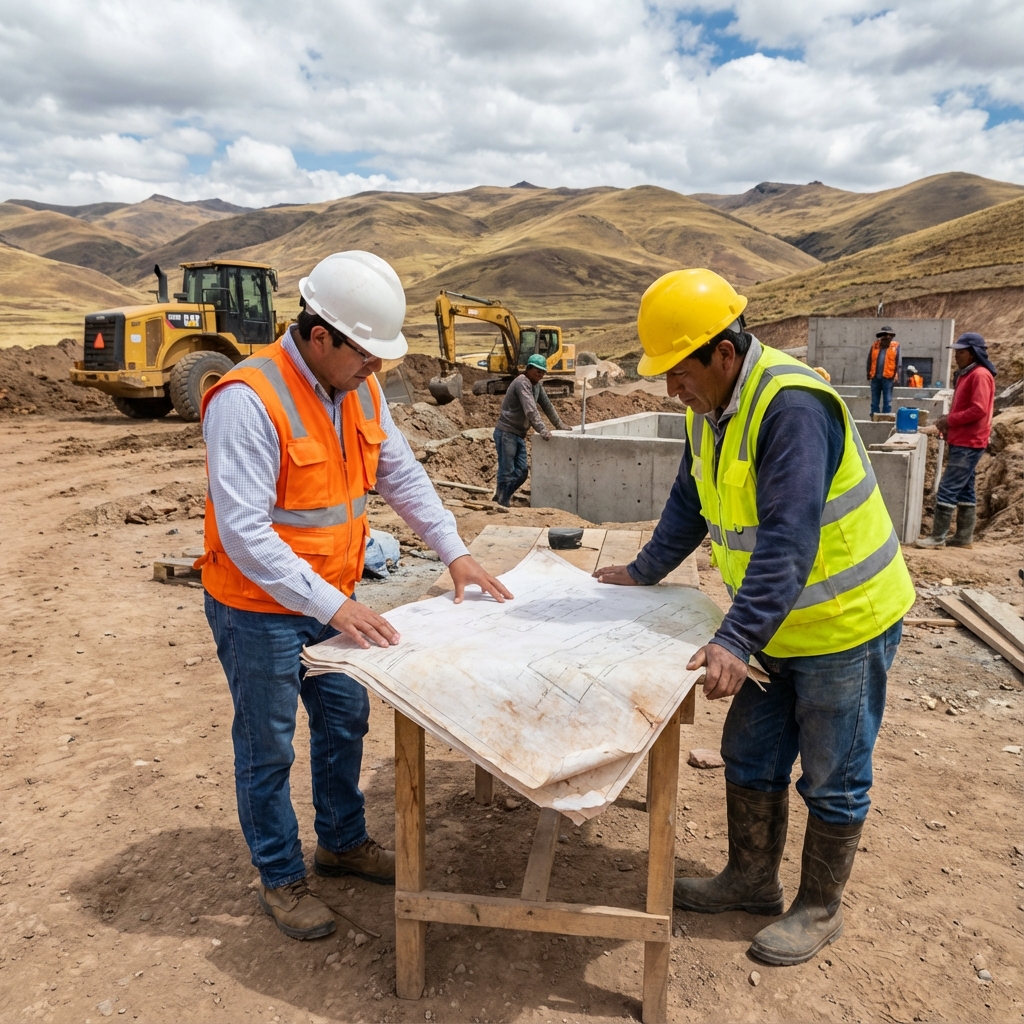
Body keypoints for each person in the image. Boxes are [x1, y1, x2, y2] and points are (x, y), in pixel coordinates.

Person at [594, 268, 915, 967]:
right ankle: (751, 881)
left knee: (833, 772)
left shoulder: (791, 407)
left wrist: (735, 636)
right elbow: (690, 500)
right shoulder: (706, 409)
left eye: (678, 373)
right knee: (751, 753)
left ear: (724, 353)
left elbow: (789, 535)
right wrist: (644, 570)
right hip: (778, 627)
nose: (670, 389)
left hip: (843, 626)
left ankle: (819, 907)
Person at [197, 251, 512, 941]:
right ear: (319, 337)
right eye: (366, 354)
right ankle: (280, 879)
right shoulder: (249, 399)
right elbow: (246, 532)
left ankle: (340, 842)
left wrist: (454, 552)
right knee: (267, 748)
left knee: (344, 723)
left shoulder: (361, 390)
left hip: (328, 602)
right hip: (259, 610)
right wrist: (332, 604)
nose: (377, 368)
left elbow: (400, 476)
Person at [915, 332, 996, 549]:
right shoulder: (967, 374)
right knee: (965, 489)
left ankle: (937, 537)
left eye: (961, 352)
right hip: (964, 439)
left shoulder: (979, 375)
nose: (957, 356)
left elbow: (978, 409)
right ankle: (963, 538)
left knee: (948, 488)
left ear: (973, 354)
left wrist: (949, 420)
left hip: (970, 441)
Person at [492, 353, 566, 506]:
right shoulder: (522, 383)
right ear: (529, 369)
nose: (541, 375)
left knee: (522, 471)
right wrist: (542, 430)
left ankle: (500, 498)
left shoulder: (536, 385)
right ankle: (502, 503)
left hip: (518, 434)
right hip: (506, 432)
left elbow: (547, 405)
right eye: (538, 371)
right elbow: (530, 410)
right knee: (507, 472)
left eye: (543, 372)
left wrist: (560, 425)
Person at [867, 327, 901, 414]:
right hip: (875, 378)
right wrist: (868, 374)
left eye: (888, 335)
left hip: (888, 378)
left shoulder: (895, 347)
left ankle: (886, 417)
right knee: (874, 402)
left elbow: (898, 363)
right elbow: (869, 361)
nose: (886, 337)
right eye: (884, 335)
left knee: (887, 401)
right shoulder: (874, 346)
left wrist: (897, 375)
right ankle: (874, 417)